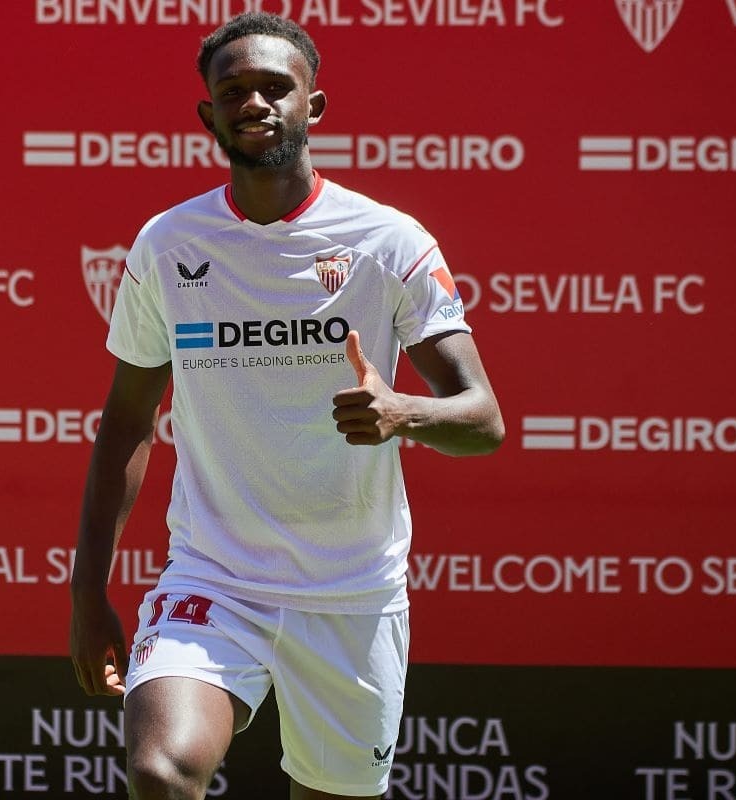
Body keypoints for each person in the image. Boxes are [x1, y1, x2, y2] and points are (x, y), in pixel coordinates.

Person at [69, 12, 504, 800]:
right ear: (208, 115)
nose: (254, 103)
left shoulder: (389, 241)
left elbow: (483, 419)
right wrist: (87, 591)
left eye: (275, 87)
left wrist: (402, 412)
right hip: (214, 577)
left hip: (352, 592)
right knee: (160, 772)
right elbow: (127, 422)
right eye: (233, 90)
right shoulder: (168, 245)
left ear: (315, 105)